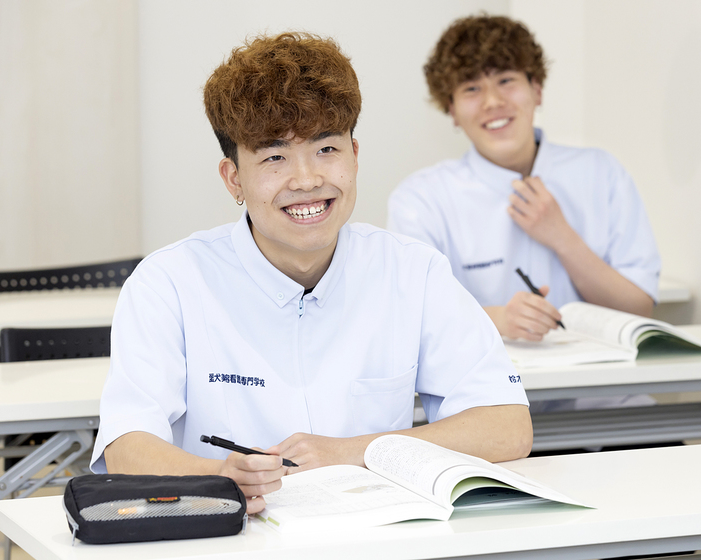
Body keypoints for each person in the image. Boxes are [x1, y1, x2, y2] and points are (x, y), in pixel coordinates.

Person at [90, 32, 532, 514]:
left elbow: (507, 426)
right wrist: (219, 477)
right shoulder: (169, 282)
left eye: (326, 149)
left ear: (355, 156)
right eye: (274, 157)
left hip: (379, 532)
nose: (307, 180)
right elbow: (126, 447)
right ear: (234, 178)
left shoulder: (411, 271)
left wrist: (352, 451)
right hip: (232, 534)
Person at [388, 14, 661, 346]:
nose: (492, 101)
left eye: (506, 80)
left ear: (537, 90)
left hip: (605, 377)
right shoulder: (421, 199)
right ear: (452, 110)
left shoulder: (602, 173)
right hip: (485, 379)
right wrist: (499, 320)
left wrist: (563, 238)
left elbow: (639, 309)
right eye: (471, 88)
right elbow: (414, 316)